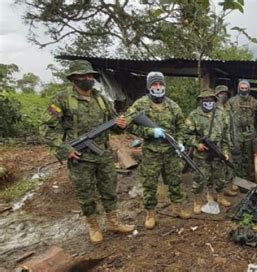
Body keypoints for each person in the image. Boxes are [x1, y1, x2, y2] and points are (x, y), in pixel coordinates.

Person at [40, 60, 134, 243]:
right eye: (84, 76)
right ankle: (93, 225)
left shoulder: (101, 99)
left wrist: (121, 125)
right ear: (74, 78)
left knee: (109, 189)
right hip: (79, 157)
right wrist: (63, 149)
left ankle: (113, 222)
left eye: (91, 75)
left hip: (103, 154)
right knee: (85, 193)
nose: (88, 79)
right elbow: (46, 128)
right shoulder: (61, 99)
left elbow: (113, 125)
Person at [126, 71, 190, 230]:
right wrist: (149, 132)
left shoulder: (173, 105)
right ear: (149, 86)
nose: (158, 86)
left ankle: (177, 207)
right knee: (149, 184)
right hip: (151, 152)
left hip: (170, 152)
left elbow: (182, 127)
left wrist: (180, 142)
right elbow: (128, 124)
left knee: (175, 180)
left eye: (160, 84)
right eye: (154, 84)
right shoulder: (140, 104)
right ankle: (150, 213)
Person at [184, 89, 232, 214]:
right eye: (205, 100)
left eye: (211, 100)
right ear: (200, 101)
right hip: (201, 154)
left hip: (218, 151)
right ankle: (197, 201)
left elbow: (226, 136)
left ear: (215, 101)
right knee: (199, 178)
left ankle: (220, 196)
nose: (208, 103)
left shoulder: (221, 115)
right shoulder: (194, 115)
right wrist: (196, 144)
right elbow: (185, 134)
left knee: (220, 177)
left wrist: (225, 151)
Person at [228, 80, 257, 181]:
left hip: (249, 134)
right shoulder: (231, 102)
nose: (243, 90)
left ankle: (247, 180)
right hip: (236, 134)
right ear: (239, 88)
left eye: (245, 88)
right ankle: (237, 179)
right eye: (242, 88)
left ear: (249, 88)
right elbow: (226, 119)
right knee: (237, 157)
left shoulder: (254, 102)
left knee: (248, 158)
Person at [214, 85, 239, 196]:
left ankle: (226, 188)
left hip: (227, 142)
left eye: (225, 93)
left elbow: (232, 126)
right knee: (217, 168)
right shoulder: (212, 108)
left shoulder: (228, 108)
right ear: (216, 95)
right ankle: (216, 192)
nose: (223, 96)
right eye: (221, 93)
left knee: (228, 165)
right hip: (216, 142)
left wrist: (234, 140)